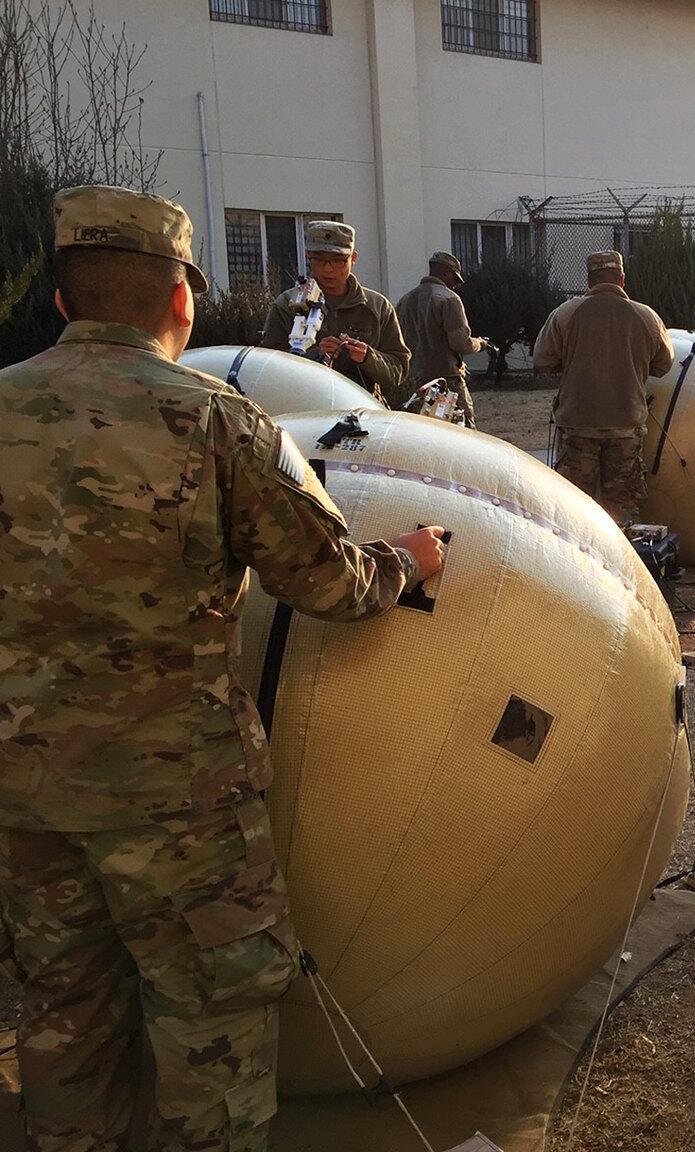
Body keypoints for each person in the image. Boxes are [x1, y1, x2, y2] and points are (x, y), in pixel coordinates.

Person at [0, 185, 447, 1151]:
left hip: (24, 797)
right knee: (211, 1026)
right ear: (182, 304)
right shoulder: (220, 423)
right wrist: (411, 557)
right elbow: (331, 584)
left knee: (63, 1014)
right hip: (181, 806)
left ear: (63, 302)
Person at [531, 249, 674, 524]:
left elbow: (543, 360)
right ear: (622, 279)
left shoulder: (566, 313)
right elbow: (663, 364)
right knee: (623, 507)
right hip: (626, 427)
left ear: (589, 281)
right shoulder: (646, 317)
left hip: (577, 425)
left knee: (574, 507)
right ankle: (622, 561)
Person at [260, 220, 412, 405]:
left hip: (361, 412)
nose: (328, 268)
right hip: (303, 410)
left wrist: (367, 358)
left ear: (353, 258)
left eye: (338, 260)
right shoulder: (287, 305)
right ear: (308, 256)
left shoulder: (377, 307)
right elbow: (267, 368)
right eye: (319, 259)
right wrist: (314, 356)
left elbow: (398, 370)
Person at [397, 250, 485, 427]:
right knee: (465, 431)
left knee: (422, 432)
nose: (455, 285)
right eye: (455, 279)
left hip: (413, 383)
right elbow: (461, 343)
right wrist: (481, 344)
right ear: (446, 273)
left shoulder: (405, 300)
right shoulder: (449, 299)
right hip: (446, 382)